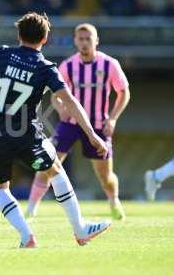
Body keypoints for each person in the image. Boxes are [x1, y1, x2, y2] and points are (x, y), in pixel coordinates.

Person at [0, 12, 111, 248]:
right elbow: (70, 102)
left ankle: (27, 236)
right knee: (55, 169)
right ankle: (80, 229)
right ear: (45, 39)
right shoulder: (45, 67)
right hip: (27, 136)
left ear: (19, 35)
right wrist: (91, 133)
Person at [26, 23, 130, 221]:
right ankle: (31, 209)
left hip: (98, 125)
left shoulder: (110, 65)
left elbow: (124, 92)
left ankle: (114, 202)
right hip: (70, 125)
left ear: (96, 41)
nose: (84, 42)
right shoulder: (68, 65)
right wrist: (60, 108)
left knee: (105, 177)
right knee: (47, 163)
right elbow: (55, 95)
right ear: (75, 41)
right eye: (80, 39)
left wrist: (114, 118)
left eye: (88, 38)